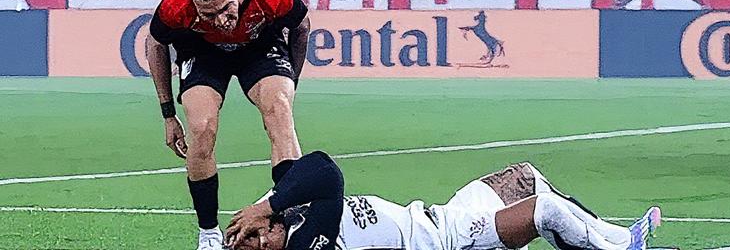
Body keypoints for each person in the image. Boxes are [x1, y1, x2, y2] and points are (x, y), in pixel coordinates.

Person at [145, 0, 311, 250]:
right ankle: (208, 234)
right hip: (202, 50)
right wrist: (168, 114)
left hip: (259, 44)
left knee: (279, 110)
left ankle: (292, 222)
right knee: (201, 127)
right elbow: (155, 42)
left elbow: (302, 27)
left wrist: (291, 83)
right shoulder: (176, 3)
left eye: (225, 8)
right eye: (208, 14)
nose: (221, 20)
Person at [224, 151, 662, 250]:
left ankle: (613, 236)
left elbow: (308, 165)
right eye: (256, 248)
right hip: (447, 243)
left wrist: (267, 204)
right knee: (544, 212)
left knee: (526, 179)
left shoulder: (285, 213)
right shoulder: (306, 244)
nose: (261, 240)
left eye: (254, 236)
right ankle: (625, 246)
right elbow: (328, 175)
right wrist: (266, 207)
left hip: (441, 217)